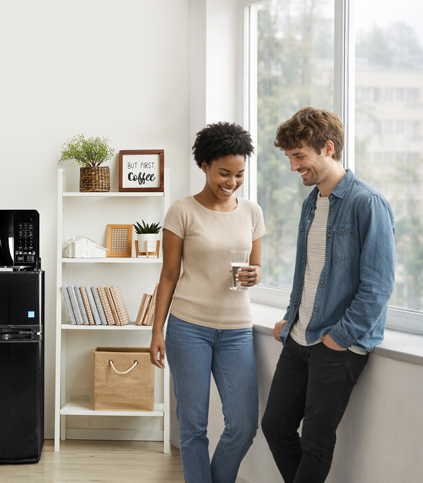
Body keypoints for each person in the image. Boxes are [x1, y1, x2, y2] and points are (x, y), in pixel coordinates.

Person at [261, 107, 395, 483]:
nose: (292, 167)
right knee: (274, 425)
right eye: (289, 157)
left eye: (299, 156)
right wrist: (292, 315)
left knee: (317, 442)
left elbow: (378, 286)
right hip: (300, 334)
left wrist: (339, 338)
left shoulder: (366, 204)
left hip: (336, 344)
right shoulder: (312, 202)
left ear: (328, 148)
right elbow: (308, 269)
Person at [150, 122, 266, 483]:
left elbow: (256, 266)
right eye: (224, 173)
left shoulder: (252, 212)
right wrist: (157, 331)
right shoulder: (182, 212)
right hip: (188, 329)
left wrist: (257, 275)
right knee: (193, 426)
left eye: (239, 174)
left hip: (236, 331)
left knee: (244, 426)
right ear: (204, 166)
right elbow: (169, 275)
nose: (231, 182)